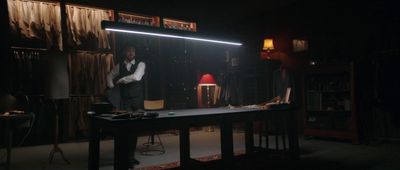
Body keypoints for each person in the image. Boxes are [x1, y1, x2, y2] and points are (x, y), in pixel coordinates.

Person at [106, 44, 145, 167]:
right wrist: (112, 87)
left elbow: (136, 77)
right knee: (125, 130)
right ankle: (125, 158)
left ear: (135, 53)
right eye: (128, 51)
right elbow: (110, 75)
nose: (131, 54)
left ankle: (131, 157)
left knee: (134, 131)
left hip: (137, 100)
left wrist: (121, 80)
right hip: (124, 101)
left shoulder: (141, 64)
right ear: (125, 53)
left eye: (133, 52)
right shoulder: (120, 65)